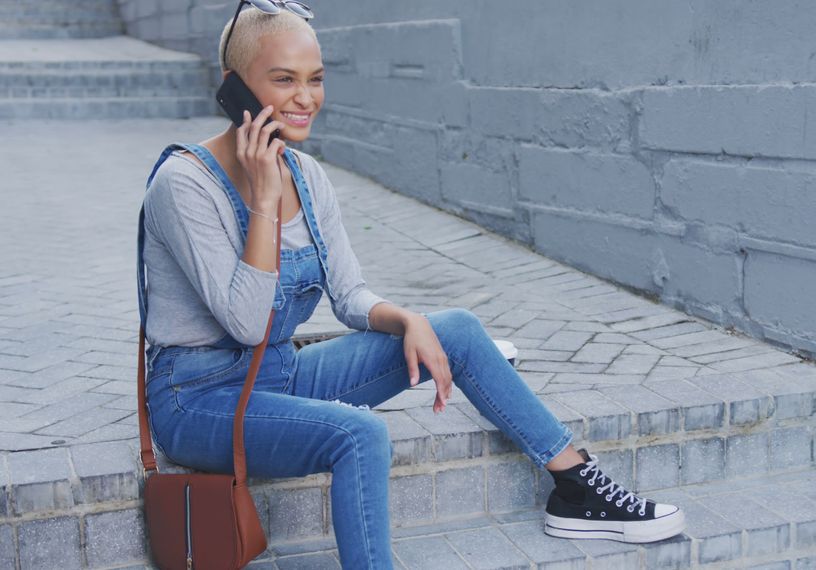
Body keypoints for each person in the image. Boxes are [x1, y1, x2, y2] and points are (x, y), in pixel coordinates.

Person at [138, 2, 685, 567]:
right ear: (235, 88)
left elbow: (348, 294)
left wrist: (408, 320)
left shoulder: (308, 175)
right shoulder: (184, 186)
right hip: (199, 401)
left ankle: (576, 486)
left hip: (281, 375)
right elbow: (247, 323)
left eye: (315, 79)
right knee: (360, 434)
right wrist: (264, 198)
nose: (305, 98)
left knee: (458, 330)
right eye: (283, 80)